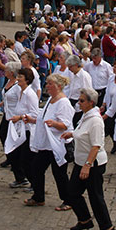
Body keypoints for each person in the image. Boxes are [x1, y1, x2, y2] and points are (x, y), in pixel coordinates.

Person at [61, 87, 115, 230]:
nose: (79, 103)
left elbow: (96, 145)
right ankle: (84, 220)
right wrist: (72, 134)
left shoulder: (96, 120)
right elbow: (82, 132)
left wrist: (87, 165)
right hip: (80, 161)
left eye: (82, 101)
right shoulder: (85, 116)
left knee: (95, 196)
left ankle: (107, 226)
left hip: (93, 164)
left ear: (91, 103)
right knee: (72, 192)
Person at [24, 74, 74, 211]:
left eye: (49, 84)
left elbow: (66, 125)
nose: (47, 86)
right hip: (46, 144)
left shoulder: (63, 102)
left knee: (59, 173)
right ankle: (38, 196)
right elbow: (43, 117)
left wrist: (55, 124)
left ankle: (68, 200)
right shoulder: (51, 100)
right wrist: (33, 120)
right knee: (36, 168)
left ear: (58, 86)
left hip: (57, 144)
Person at [66, 55, 93, 127]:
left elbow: (88, 93)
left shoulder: (84, 76)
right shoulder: (73, 75)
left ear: (75, 65)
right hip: (72, 102)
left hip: (79, 105)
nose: (69, 69)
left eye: (70, 67)